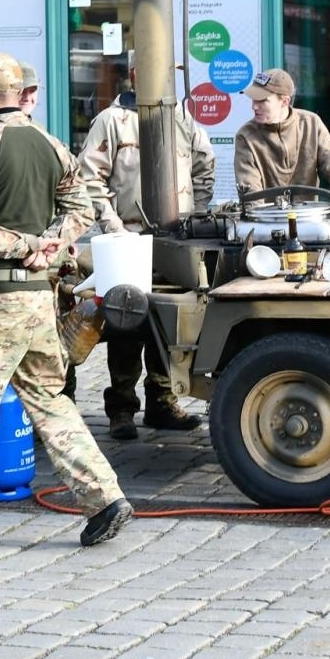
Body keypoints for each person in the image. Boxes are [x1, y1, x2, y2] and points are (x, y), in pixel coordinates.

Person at [0, 52, 132, 550]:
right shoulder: (50, 144)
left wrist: (26, 246)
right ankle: (104, 498)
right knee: (50, 400)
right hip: (38, 301)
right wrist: (52, 245)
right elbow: (83, 208)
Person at [77, 79, 214, 439]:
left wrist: (194, 216)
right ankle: (121, 408)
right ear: (135, 73)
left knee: (168, 322)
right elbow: (89, 177)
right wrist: (113, 225)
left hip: (174, 239)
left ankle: (162, 401)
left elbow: (204, 164)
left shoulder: (180, 116)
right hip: (127, 237)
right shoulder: (111, 120)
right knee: (125, 319)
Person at [233, 68, 330, 214]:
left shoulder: (311, 124)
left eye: (262, 100)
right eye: (253, 99)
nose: (254, 106)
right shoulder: (246, 136)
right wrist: (257, 220)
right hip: (267, 220)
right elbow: (251, 195)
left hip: (309, 219)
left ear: (284, 101)